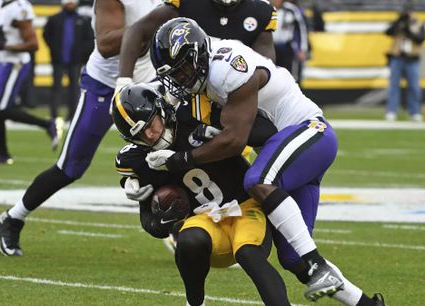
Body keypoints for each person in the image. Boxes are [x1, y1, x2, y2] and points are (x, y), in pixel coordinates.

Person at [147, 17, 386, 305]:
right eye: (175, 73)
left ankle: (317, 263)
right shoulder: (212, 66)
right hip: (290, 151)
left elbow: (235, 142)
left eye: (183, 69)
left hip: (310, 132)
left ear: (197, 55)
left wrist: (179, 160)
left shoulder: (227, 69)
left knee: (258, 181)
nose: (181, 78)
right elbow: (249, 129)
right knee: (291, 258)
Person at [0, 0, 161, 256]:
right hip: (105, 85)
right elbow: (106, 45)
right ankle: (13, 217)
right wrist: (148, 28)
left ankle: (178, 227)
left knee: (167, 152)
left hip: (149, 81)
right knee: (70, 166)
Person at [112, 82, 291, 306]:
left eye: (150, 124)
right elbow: (149, 222)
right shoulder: (142, 162)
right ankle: (195, 303)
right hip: (206, 221)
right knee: (188, 240)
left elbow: (266, 132)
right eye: (139, 134)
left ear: (161, 110)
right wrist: (164, 220)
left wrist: (226, 134)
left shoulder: (196, 117)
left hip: (246, 207)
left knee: (248, 253)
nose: (149, 135)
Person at [117, 0, 277, 89]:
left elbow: (266, 65)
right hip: (187, 86)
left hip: (231, 88)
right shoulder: (188, 3)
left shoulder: (261, 11)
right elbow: (137, 31)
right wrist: (124, 80)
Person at [0, 0, 63, 164]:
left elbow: (33, 44)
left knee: (1, 109)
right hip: (2, 61)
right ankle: (3, 153)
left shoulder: (19, 8)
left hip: (15, 63)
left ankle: (48, 124)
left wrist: (5, 46)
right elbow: (4, 33)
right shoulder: (0, 3)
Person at [43, 0, 94, 120]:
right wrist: (54, 50)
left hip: (75, 61)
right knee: (56, 88)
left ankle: (72, 114)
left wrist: (81, 54)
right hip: (58, 60)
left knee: (74, 89)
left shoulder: (83, 20)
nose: (70, 4)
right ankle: (54, 115)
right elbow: (46, 35)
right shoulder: (55, 19)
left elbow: (89, 39)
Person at [384, 8, 425, 122]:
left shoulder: (419, 24)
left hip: (412, 59)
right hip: (397, 58)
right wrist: (399, 21)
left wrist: (407, 28)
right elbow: (388, 32)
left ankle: (415, 111)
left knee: (414, 87)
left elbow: (420, 39)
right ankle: (391, 111)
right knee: (393, 86)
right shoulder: (399, 23)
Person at [272, 0, 309, 83]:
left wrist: (302, 49)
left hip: (286, 47)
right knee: (272, 74)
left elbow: (301, 30)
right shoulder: (266, 8)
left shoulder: (291, 9)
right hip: (270, 47)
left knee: (289, 75)